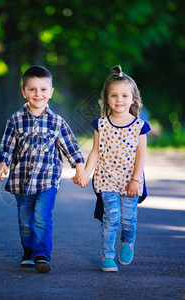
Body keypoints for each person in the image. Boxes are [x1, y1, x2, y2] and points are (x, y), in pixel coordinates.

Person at [0, 65, 88, 273]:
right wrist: (3, 164)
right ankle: (28, 252)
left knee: (42, 217)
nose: (38, 94)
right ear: (24, 92)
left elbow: (71, 147)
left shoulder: (57, 122)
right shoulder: (15, 120)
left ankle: (42, 256)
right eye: (32, 89)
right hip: (22, 181)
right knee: (25, 220)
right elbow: (7, 146)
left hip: (48, 181)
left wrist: (80, 168)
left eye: (43, 89)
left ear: (51, 92)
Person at [73, 65, 151, 272]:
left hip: (130, 180)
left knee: (128, 218)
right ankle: (107, 256)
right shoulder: (101, 125)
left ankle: (128, 241)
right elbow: (96, 152)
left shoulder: (139, 126)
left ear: (133, 99)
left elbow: (141, 155)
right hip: (106, 179)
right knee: (111, 217)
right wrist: (86, 173)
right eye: (114, 95)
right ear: (106, 99)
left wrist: (136, 180)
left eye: (125, 95)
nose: (119, 100)